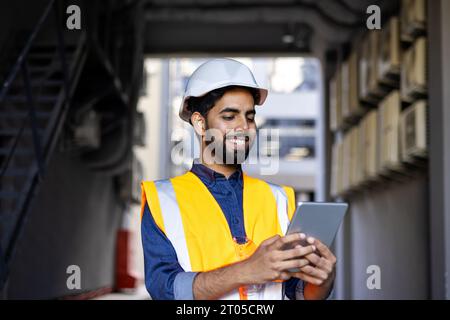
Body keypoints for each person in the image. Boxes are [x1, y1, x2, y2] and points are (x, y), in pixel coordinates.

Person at [140, 58, 336, 300]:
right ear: (200, 123)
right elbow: (165, 289)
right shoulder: (162, 200)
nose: (245, 126)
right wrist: (247, 271)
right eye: (230, 117)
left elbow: (296, 293)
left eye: (250, 116)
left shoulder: (279, 198)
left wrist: (323, 280)